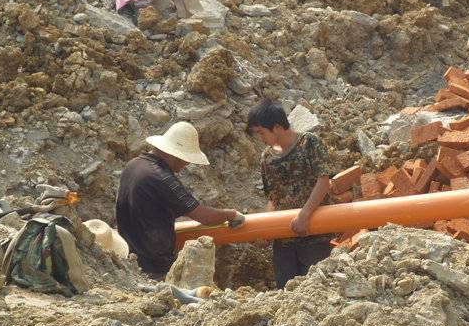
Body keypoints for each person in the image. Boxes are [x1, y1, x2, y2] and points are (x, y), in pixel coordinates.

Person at [116, 121, 245, 280]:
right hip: (154, 267)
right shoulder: (162, 178)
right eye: (187, 158)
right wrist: (231, 215)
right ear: (176, 154)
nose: (187, 164)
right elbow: (204, 216)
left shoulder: (133, 165)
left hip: (129, 261)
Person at [247, 99, 333, 288]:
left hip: (314, 236)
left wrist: (304, 215)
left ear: (276, 127)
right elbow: (272, 198)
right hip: (283, 241)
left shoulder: (309, 143)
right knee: (286, 293)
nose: (260, 138)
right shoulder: (267, 158)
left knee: (316, 289)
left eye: (261, 132)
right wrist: (266, 230)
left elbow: (323, 181)